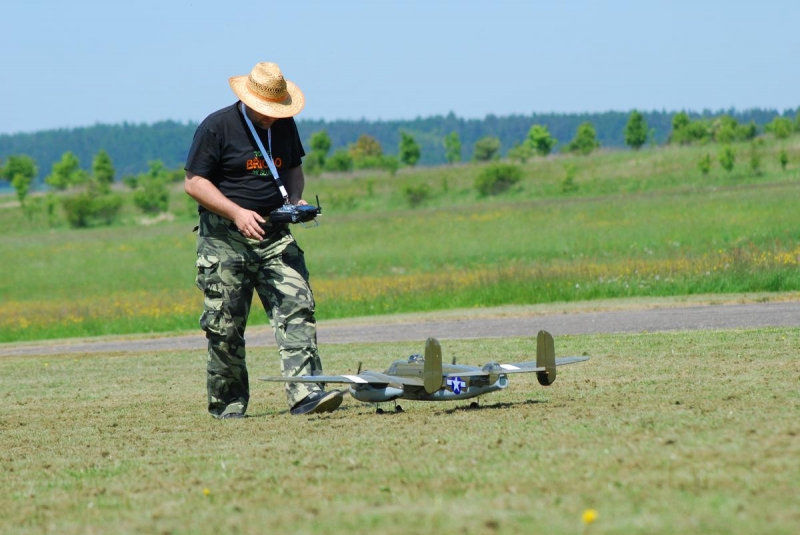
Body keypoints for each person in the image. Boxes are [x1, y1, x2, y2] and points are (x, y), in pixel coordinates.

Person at [184, 62, 342, 418]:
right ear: (248, 99)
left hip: (275, 236)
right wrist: (236, 213)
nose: (272, 117)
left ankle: (306, 394)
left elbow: (293, 168)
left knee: (297, 307)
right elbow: (194, 183)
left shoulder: (284, 124)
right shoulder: (216, 126)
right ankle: (228, 404)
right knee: (224, 325)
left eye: (277, 109)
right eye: (265, 110)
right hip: (224, 240)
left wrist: (295, 200)